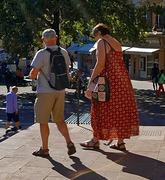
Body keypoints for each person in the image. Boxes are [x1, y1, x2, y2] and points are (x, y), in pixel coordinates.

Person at [83, 23, 139, 152]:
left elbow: (101, 63)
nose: (94, 38)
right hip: (121, 80)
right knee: (119, 111)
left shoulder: (102, 42)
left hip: (107, 80)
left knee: (98, 108)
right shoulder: (116, 42)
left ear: (99, 33)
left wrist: (91, 82)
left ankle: (95, 140)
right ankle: (120, 142)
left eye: (94, 35)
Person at [29, 29, 77, 158]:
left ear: (43, 40)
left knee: (43, 121)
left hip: (45, 92)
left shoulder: (41, 53)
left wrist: (32, 75)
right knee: (60, 119)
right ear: (56, 38)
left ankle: (44, 149)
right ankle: (69, 142)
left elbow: (33, 74)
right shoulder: (64, 52)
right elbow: (66, 69)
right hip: (60, 91)